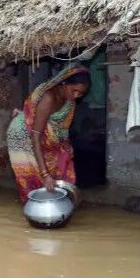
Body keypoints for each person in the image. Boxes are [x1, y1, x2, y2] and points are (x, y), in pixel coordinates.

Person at [7, 65, 90, 202]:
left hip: (42, 132)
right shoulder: (49, 98)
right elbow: (35, 135)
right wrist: (45, 174)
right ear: (64, 83)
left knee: (62, 156)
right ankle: (35, 206)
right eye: (74, 90)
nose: (76, 96)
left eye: (81, 93)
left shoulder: (69, 101)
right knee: (31, 174)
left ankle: (54, 201)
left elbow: (60, 129)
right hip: (23, 135)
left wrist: (66, 145)